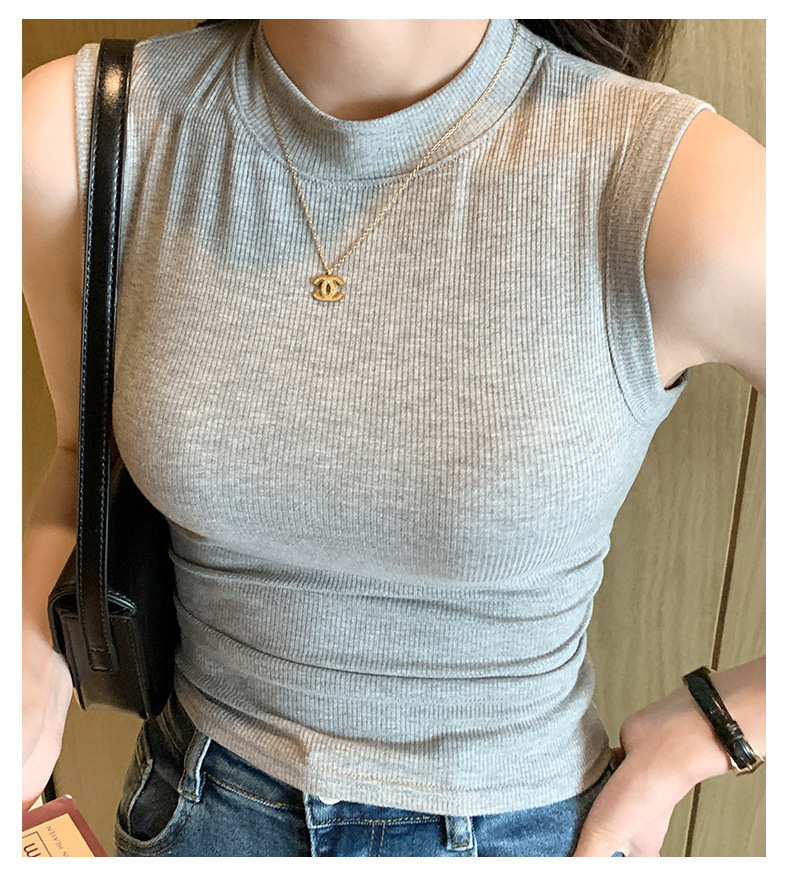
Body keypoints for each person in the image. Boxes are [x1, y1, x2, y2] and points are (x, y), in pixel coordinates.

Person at [22, 19, 765, 857]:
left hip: (524, 835)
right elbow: (83, 458)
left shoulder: (677, 182)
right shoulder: (81, 132)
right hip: (194, 814)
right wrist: (29, 644)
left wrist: (712, 728)